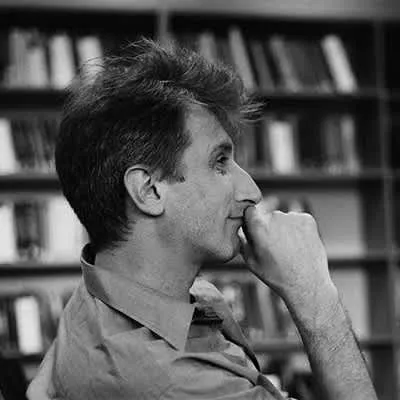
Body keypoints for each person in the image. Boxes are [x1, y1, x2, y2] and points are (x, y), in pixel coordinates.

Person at [27, 37, 378, 400]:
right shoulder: (179, 383)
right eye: (219, 162)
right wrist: (315, 297)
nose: (252, 191)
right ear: (148, 190)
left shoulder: (101, 291)